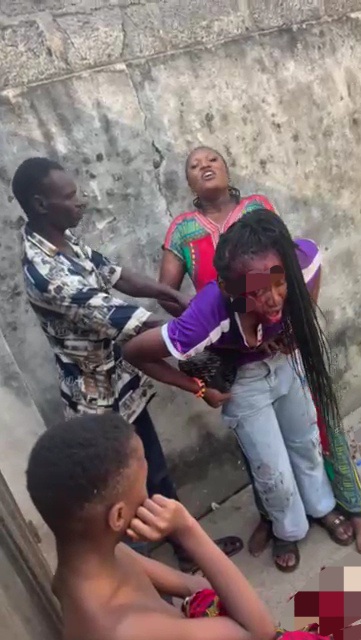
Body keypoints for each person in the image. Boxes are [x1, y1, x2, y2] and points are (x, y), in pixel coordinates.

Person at [12, 156, 242, 569]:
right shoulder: (47, 274)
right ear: (41, 204)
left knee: (155, 475)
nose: (81, 201)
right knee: (123, 507)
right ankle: (151, 590)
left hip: (122, 384)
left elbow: (116, 275)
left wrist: (172, 295)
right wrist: (201, 327)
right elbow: (129, 322)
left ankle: (190, 554)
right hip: (96, 406)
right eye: (70, 196)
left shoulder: (64, 239)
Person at [124, 208, 361, 572]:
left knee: (305, 443)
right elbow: (134, 352)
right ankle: (287, 529)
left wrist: (294, 328)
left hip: (286, 365)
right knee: (272, 470)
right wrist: (199, 389)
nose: (273, 299)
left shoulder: (297, 263)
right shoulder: (207, 315)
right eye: (257, 292)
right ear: (230, 290)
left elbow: (313, 262)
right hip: (244, 383)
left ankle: (322, 508)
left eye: (279, 284)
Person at [26, 413, 331, 640]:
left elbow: (196, 587)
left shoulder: (95, 561)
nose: (150, 492)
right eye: (143, 484)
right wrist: (187, 529)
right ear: (118, 517)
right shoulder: (122, 630)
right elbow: (260, 633)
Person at [159, 146, 277, 558]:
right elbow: (165, 292)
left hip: (277, 337)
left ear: (227, 169)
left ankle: (322, 505)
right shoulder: (182, 230)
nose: (204, 166)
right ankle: (273, 519)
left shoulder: (257, 208)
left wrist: (277, 324)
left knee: (303, 434)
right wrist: (207, 321)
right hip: (233, 355)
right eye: (194, 165)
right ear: (189, 183)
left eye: (212, 160)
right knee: (258, 450)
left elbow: (286, 262)